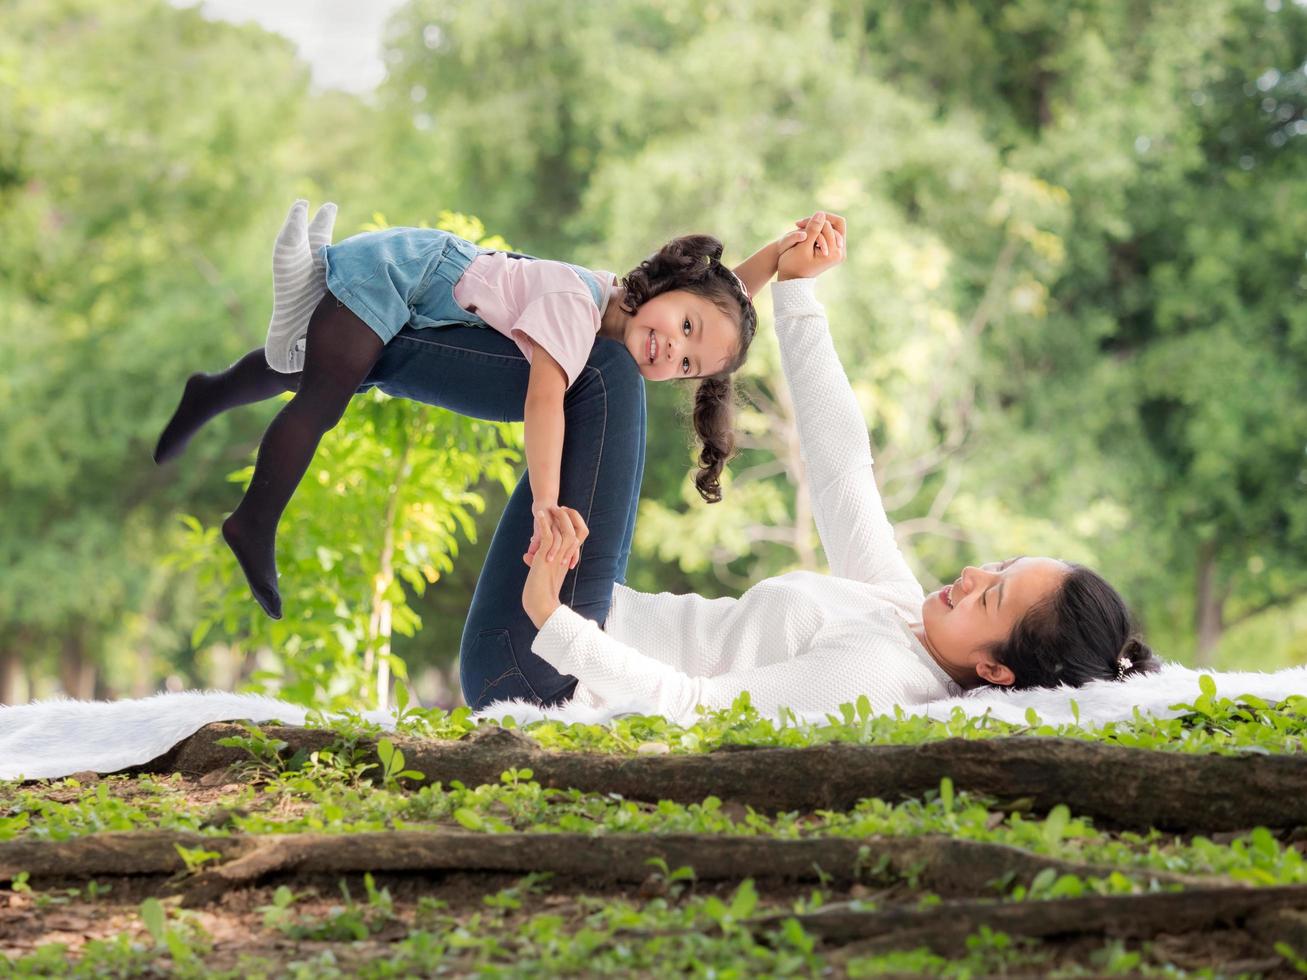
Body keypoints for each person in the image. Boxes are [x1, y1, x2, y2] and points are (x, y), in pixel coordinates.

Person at [509, 212, 1160, 720]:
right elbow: (840, 466)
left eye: (989, 594)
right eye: (997, 567)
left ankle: (424, 288)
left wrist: (548, 616)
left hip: (551, 656)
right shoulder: (900, 612)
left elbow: (692, 709)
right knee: (598, 359)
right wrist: (795, 291)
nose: (970, 573)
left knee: (605, 370)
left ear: (994, 672)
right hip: (586, 602)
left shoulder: (873, 677)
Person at [153, 202, 810, 620]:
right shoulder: (577, 303)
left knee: (293, 366)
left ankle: (208, 392)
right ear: (665, 288)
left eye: (688, 366)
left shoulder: (633, 319)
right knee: (319, 397)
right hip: (400, 272)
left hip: (422, 293)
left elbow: (719, 304)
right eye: (683, 329)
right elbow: (544, 400)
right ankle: (252, 522)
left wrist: (779, 257)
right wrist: (547, 502)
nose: (674, 352)